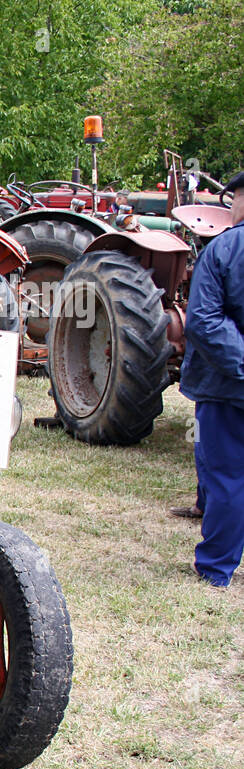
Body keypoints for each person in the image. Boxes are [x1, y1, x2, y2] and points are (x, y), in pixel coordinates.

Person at [181, 170, 244, 588]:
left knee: (225, 476)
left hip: (225, 388)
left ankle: (217, 568)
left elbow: (202, 320)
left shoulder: (223, 249)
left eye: (233, 198)